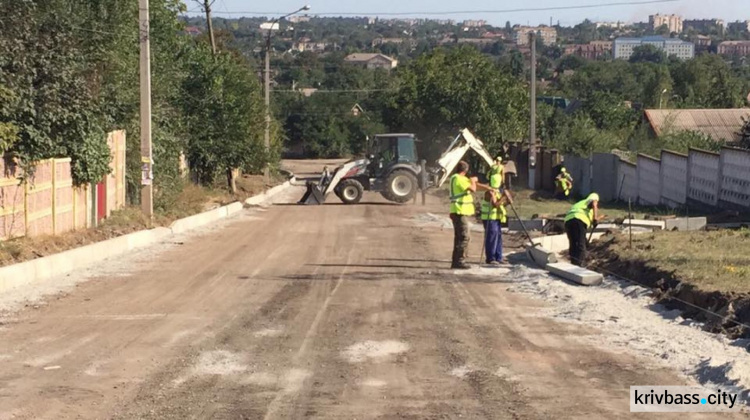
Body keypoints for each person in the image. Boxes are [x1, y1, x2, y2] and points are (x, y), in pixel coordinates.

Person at [449, 161, 488, 270]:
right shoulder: (458, 178)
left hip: (459, 211)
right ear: (466, 170)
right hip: (459, 211)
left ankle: (457, 260)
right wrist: (472, 180)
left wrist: (489, 188)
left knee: (460, 237)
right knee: (464, 236)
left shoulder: (458, 178)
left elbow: (476, 186)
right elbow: (473, 188)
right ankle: (459, 261)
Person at [564, 193, 604, 267]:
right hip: (579, 220)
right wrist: (595, 218)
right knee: (581, 244)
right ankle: (579, 266)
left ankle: (573, 263)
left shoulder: (580, 204)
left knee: (573, 243)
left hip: (568, 221)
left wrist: (599, 218)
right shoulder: (593, 197)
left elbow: (591, 220)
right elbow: (594, 204)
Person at [481, 186, 512, 265]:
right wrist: (503, 197)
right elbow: (495, 204)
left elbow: (501, 204)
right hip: (489, 218)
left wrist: (508, 200)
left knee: (498, 238)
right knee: (491, 238)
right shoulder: (490, 192)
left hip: (497, 218)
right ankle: (491, 258)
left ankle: (498, 257)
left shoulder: (497, 192)